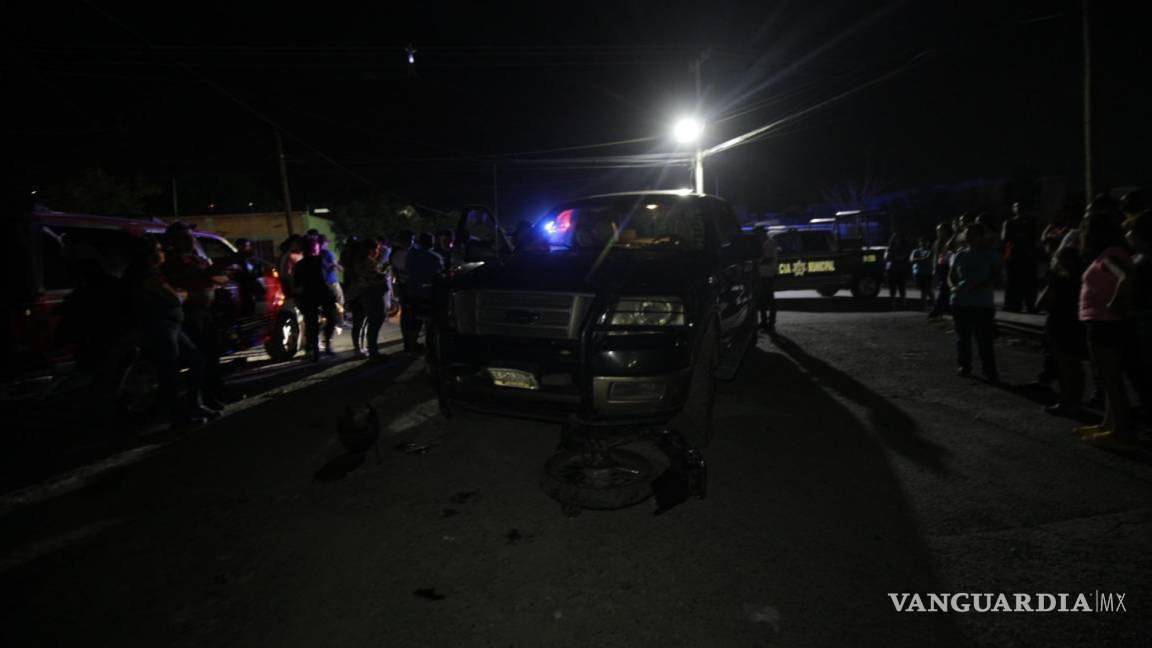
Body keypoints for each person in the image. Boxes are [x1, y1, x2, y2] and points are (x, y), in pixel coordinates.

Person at [129, 237, 215, 427]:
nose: (163, 253)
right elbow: (174, 298)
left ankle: (193, 405)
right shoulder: (146, 275)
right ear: (149, 254)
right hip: (160, 328)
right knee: (170, 372)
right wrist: (183, 294)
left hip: (172, 326)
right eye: (159, 250)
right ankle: (178, 417)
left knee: (195, 361)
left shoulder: (154, 273)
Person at [1074, 212, 1134, 444]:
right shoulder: (1107, 254)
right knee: (1108, 378)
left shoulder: (1110, 254)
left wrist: (1114, 302)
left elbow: (1125, 276)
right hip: (1101, 322)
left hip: (1105, 323)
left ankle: (1120, 429)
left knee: (1111, 377)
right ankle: (1108, 424)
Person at [162, 222, 229, 409]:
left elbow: (222, 278)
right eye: (186, 237)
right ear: (174, 240)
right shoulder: (172, 261)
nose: (191, 240)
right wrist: (210, 274)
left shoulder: (196, 258)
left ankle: (211, 394)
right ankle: (197, 399)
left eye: (191, 236)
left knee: (211, 355)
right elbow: (193, 278)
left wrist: (210, 274)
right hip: (190, 314)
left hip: (206, 312)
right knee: (198, 358)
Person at [1037, 243, 1087, 416]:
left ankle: (1066, 401)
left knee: (1063, 365)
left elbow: (1042, 303)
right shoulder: (1082, 278)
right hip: (1078, 322)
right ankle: (1077, 401)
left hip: (1058, 323)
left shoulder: (1057, 279)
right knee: (1076, 365)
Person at [949, 223, 1001, 383]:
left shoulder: (991, 254)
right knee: (963, 338)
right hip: (960, 302)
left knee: (984, 339)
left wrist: (981, 285)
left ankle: (989, 371)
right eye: (968, 234)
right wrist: (953, 287)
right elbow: (951, 275)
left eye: (974, 234)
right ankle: (964, 366)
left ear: (981, 236)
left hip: (982, 303)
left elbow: (997, 276)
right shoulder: (960, 255)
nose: (970, 237)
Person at [293, 235, 339, 362]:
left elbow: (297, 283)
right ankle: (322, 347)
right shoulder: (318, 261)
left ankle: (315, 349)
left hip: (310, 295)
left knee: (312, 323)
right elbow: (325, 278)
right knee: (327, 319)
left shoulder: (301, 264)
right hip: (319, 294)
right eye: (315, 247)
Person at [347, 236, 391, 359]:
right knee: (371, 323)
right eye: (377, 248)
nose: (378, 251)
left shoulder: (356, 260)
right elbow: (372, 278)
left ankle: (359, 349)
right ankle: (372, 351)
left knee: (359, 323)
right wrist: (384, 275)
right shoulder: (367, 261)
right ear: (371, 249)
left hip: (357, 294)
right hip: (368, 294)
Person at [401, 232, 444, 353]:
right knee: (430, 322)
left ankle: (410, 345)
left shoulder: (411, 255)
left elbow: (407, 271)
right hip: (429, 294)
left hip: (413, 292)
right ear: (431, 242)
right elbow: (439, 275)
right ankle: (430, 347)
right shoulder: (436, 258)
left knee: (413, 321)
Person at [1002, 202, 1038, 313]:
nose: (1019, 209)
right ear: (1013, 209)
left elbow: (1034, 239)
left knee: (1029, 282)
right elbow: (1006, 240)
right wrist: (1007, 256)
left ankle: (1030, 305)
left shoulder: (1030, 222)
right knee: (1013, 282)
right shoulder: (1009, 222)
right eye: (1016, 206)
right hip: (1014, 256)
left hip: (1028, 256)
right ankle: (1013, 305)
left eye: (1021, 206)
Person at [753, 226, 778, 334]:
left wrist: (756, 263)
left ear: (761, 233)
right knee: (763, 299)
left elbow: (768, 259)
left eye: (757, 234)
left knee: (768, 299)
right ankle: (765, 322)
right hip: (764, 274)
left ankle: (770, 323)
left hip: (767, 274)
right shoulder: (766, 242)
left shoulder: (769, 243)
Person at [927, 222, 954, 319]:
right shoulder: (937, 242)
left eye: (940, 230)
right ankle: (943, 307)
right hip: (941, 265)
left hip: (949, 265)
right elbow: (935, 256)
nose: (938, 232)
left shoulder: (951, 240)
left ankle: (938, 309)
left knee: (944, 288)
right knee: (943, 287)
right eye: (937, 230)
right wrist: (934, 268)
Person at [884, 233, 911, 308]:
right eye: (895, 239)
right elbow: (887, 260)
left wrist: (893, 257)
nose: (896, 240)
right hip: (892, 270)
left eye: (898, 238)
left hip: (901, 269)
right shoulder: (890, 248)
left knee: (901, 286)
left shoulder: (904, 248)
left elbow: (902, 257)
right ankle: (893, 303)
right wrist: (887, 269)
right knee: (892, 287)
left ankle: (903, 302)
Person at [909, 237, 934, 308]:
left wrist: (918, 260)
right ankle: (933, 303)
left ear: (928, 243)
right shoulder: (915, 251)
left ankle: (924, 305)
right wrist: (923, 259)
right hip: (918, 272)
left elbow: (929, 258)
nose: (923, 243)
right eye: (922, 241)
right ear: (919, 243)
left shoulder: (930, 251)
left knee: (925, 289)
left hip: (928, 272)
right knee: (927, 289)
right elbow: (911, 260)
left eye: (925, 241)